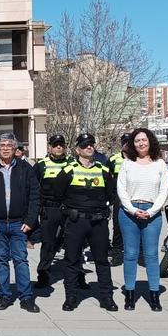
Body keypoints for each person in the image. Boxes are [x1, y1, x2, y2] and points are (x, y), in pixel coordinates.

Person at [0, 133, 40, 312]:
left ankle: (26, 297)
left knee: (21, 260)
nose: (5, 148)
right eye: (2, 145)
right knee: (1, 260)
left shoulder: (25, 168)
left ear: (15, 148)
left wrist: (30, 220)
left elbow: (35, 196)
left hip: (19, 224)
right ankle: (4, 295)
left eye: (9, 145)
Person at [57, 133, 118, 312]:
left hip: (98, 222)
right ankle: (71, 297)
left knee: (102, 261)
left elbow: (111, 194)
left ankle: (106, 297)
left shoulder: (104, 170)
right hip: (76, 222)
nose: (89, 147)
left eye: (91, 144)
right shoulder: (68, 170)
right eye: (84, 145)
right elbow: (58, 193)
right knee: (71, 260)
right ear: (77, 150)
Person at [116, 128, 168, 312]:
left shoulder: (160, 164)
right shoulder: (127, 164)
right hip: (129, 212)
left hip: (152, 213)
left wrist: (152, 211)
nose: (141, 143)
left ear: (150, 141)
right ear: (132, 144)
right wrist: (132, 210)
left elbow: (163, 191)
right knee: (130, 254)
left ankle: (154, 295)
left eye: (144, 140)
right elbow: (121, 189)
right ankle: (130, 294)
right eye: (137, 140)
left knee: (151, 255)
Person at [32, 134, 71, 289]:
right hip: (49, 209)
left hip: (68, 208)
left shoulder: (72, 163)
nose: (58, 147)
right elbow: (33, 189)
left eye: (61, 144)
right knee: (48, 243)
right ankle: (43, 274)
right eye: (55, 145)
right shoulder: (41, 165)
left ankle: (77, 275)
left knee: (74, 243)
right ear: (49, 147)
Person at [108, 133, 129, 267]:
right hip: (118, 197)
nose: (127, 144)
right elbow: (107, 178)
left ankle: (140, 255)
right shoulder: (113, 159)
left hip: (134, 196)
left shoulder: (139, 158)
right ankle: (117, 254)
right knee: (118, 226)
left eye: (129, 141)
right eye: (125, 142)